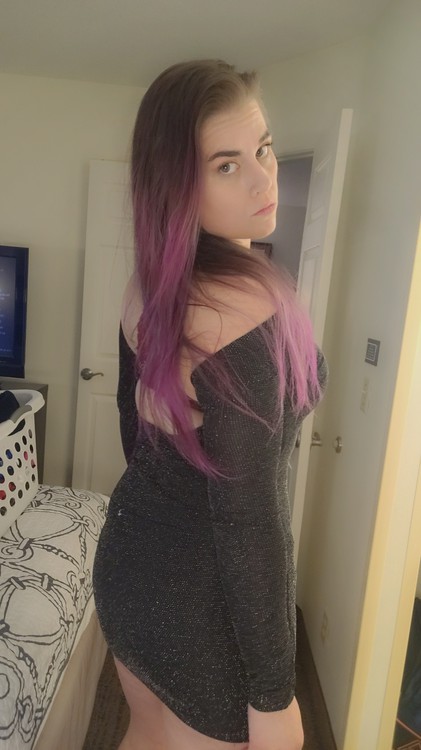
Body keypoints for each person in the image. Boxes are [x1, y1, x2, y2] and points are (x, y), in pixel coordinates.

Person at [93, 59, 327, 750]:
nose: (263, 179)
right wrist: (274, 696)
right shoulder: (248, 311)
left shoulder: (149, 287)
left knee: (145, 734)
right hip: (198, 607)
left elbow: (133, 432)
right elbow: (252, 520)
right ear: (176, 187)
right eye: (226, 165)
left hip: (128, 562)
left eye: (263, 149)